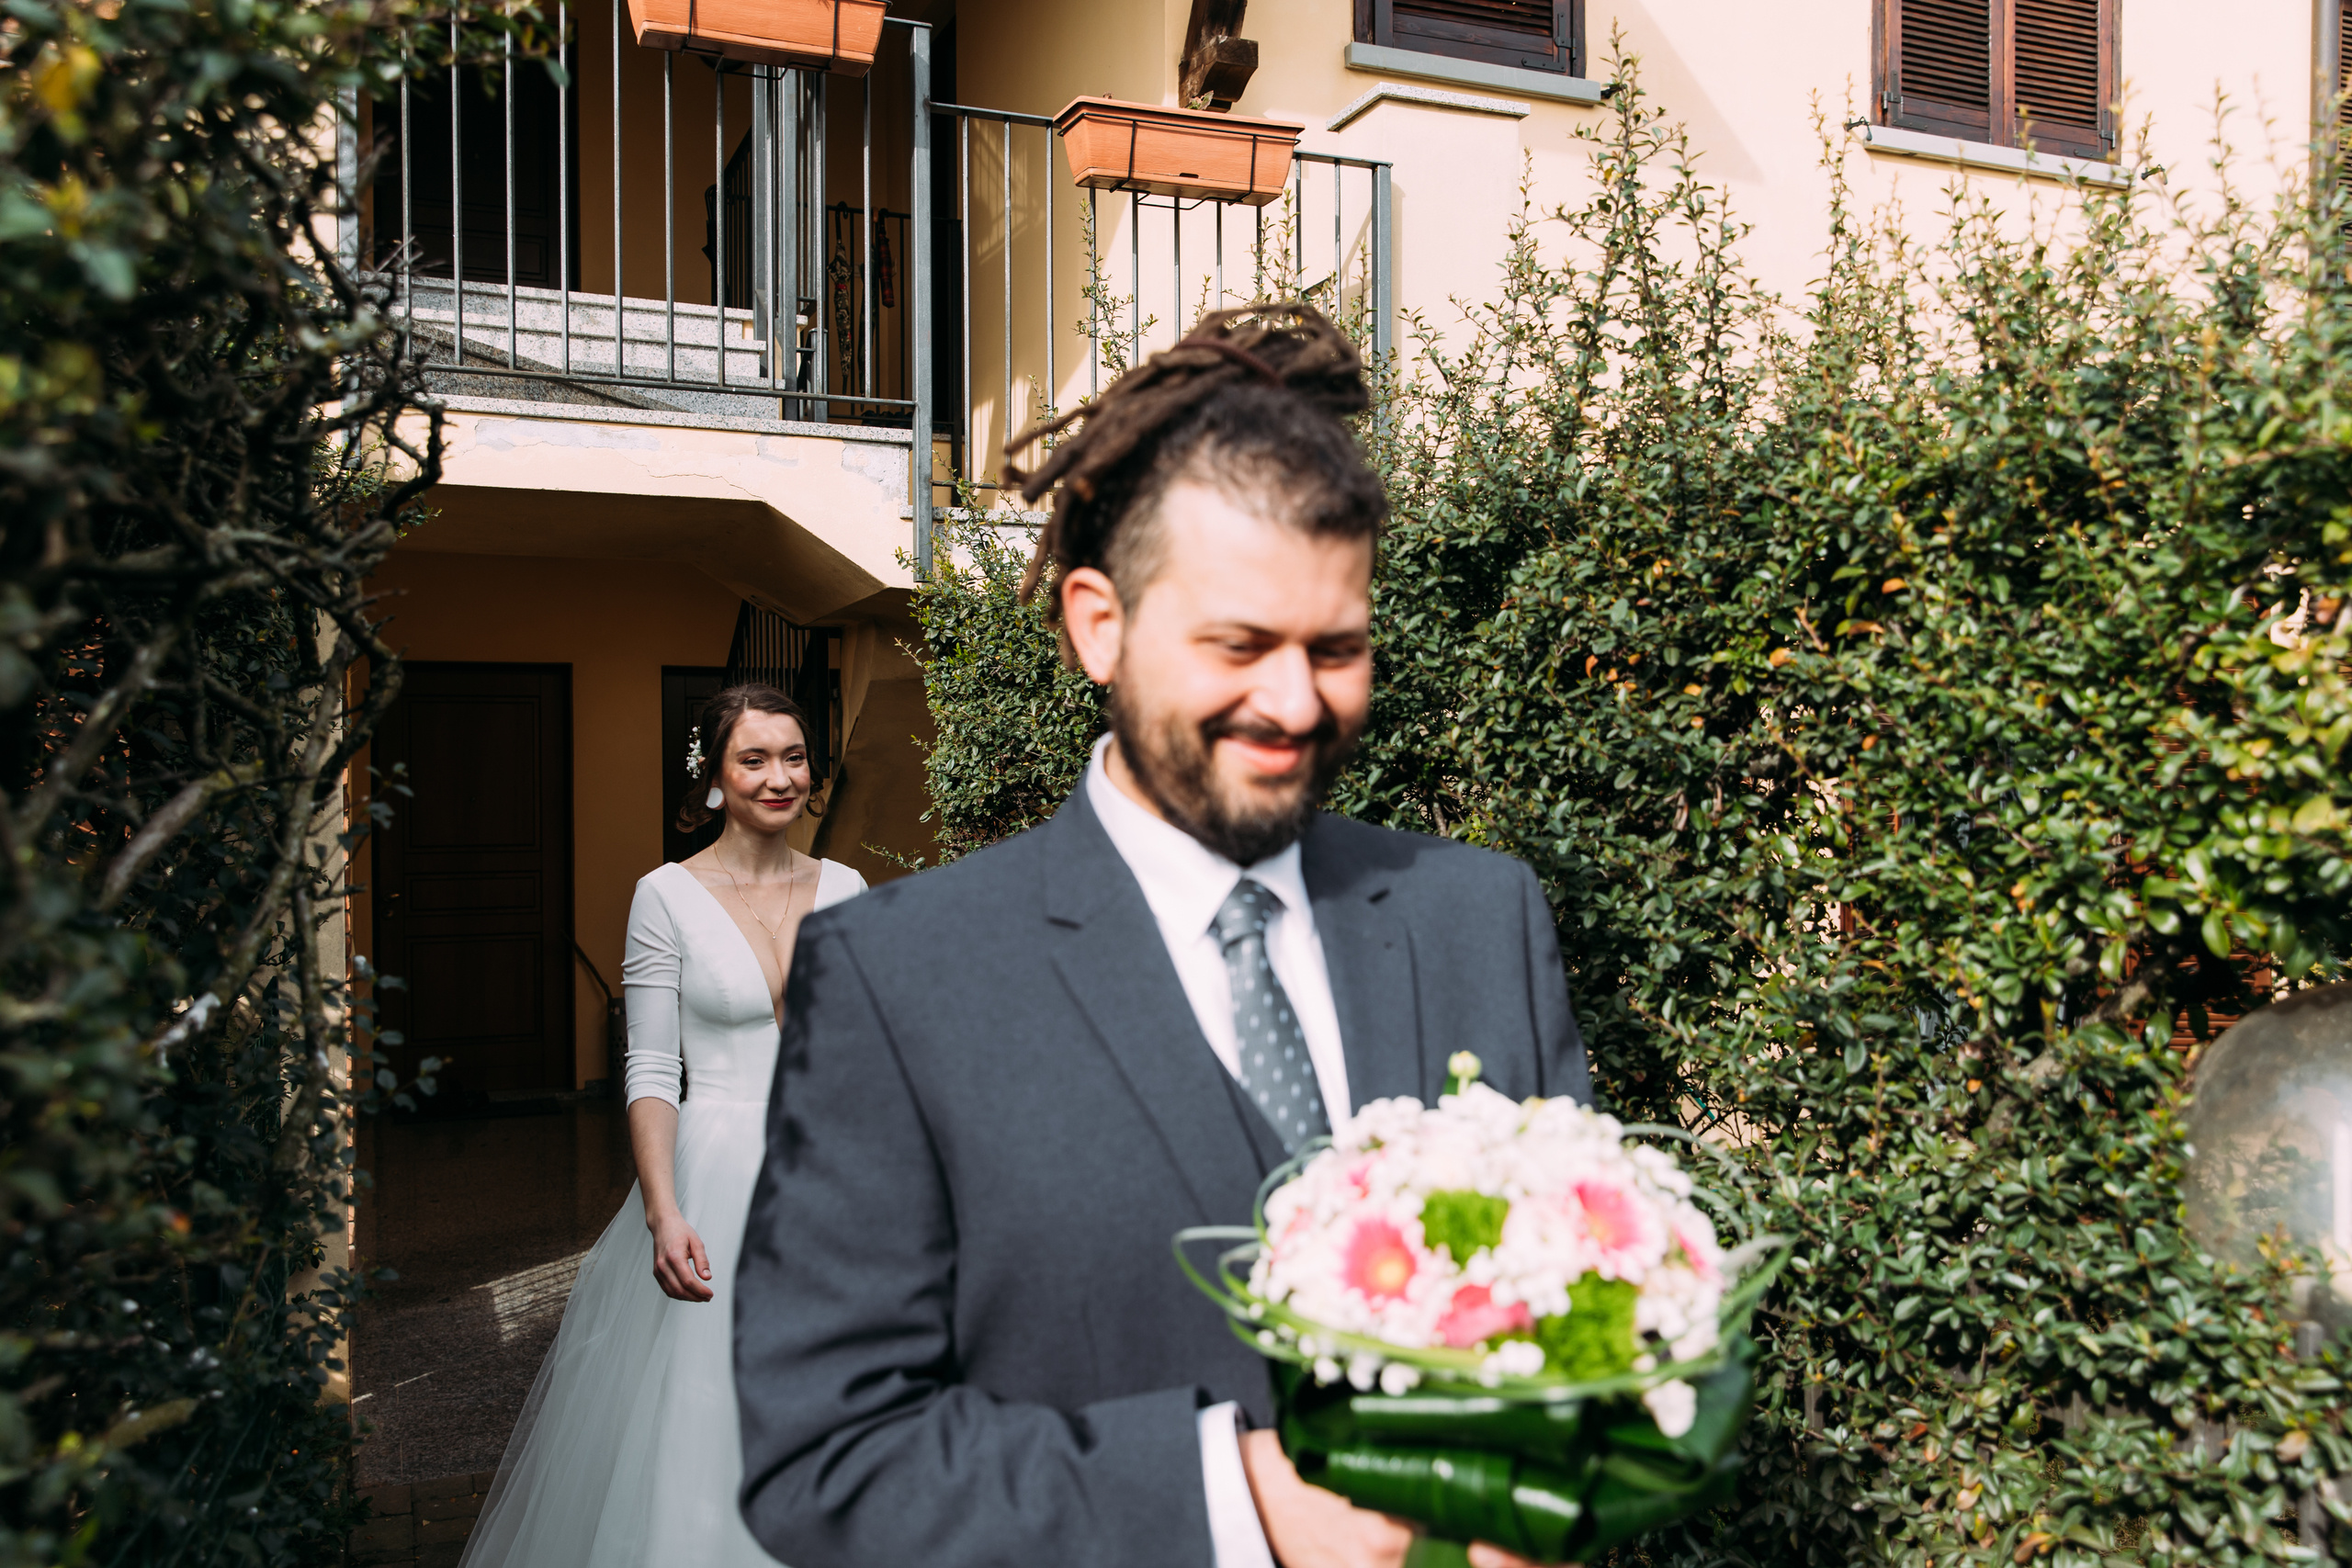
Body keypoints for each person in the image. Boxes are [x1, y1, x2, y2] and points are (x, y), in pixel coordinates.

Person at [734, 303, 1591, 1568]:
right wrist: (1241, 1496)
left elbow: (1584, 1316)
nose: (1294, 702)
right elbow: (828, 1457)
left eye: (1337, 649)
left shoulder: (1483, 918)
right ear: (1100, 625)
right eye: (1239, 644)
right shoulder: (899, 978)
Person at [458, 683, 866, 1568]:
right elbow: (650, 1068)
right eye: (753, 759)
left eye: (794, 757)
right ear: (714, 777)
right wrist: (663, 1209)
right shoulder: (666, 895)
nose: (779, 777)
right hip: (716, 1180)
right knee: (711, 1414)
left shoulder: (848, 886)